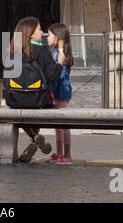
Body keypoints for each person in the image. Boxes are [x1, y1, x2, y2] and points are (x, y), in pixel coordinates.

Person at [9, 17, 65, 163]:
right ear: (31, 34)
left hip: (16, 98)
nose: (42, 32)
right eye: (39, 29)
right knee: (39, 103)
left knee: (19, 111)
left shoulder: (13, 51)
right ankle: (34, 139)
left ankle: (34, 138)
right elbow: (52, 75)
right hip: (38, 99)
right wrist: (59, 63)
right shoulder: (42, 51)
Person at [45, 23, 73, 165]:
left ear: (57, 38)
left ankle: (66, 154)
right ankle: (61, 153)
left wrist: (50, 90)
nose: (47, 37)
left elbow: (58, 75)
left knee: (62, 125)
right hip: (61, 92)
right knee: (59, 125)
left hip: (59, 93)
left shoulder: (58, 53)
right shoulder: (58, 52)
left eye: (49, 34)